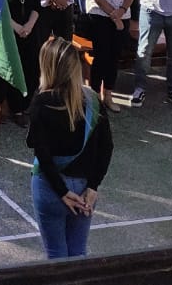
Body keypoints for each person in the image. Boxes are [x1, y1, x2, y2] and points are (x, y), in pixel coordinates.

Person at [28, 37, 113, 260]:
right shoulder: (93, 99)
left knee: (56, 258)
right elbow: (107, 147)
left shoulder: (41, 103)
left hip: (51, 187)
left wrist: (62, 192)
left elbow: (42, 154)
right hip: (85, 188)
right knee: (78, 255)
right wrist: (93, 186)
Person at [81, 0, 135, 112]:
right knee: (100, 57)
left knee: (114, 58)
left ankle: (109, 95)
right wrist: (114, 15)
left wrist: (121, 11)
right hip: (99, 16)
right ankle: (95, 96)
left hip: (121, 15)